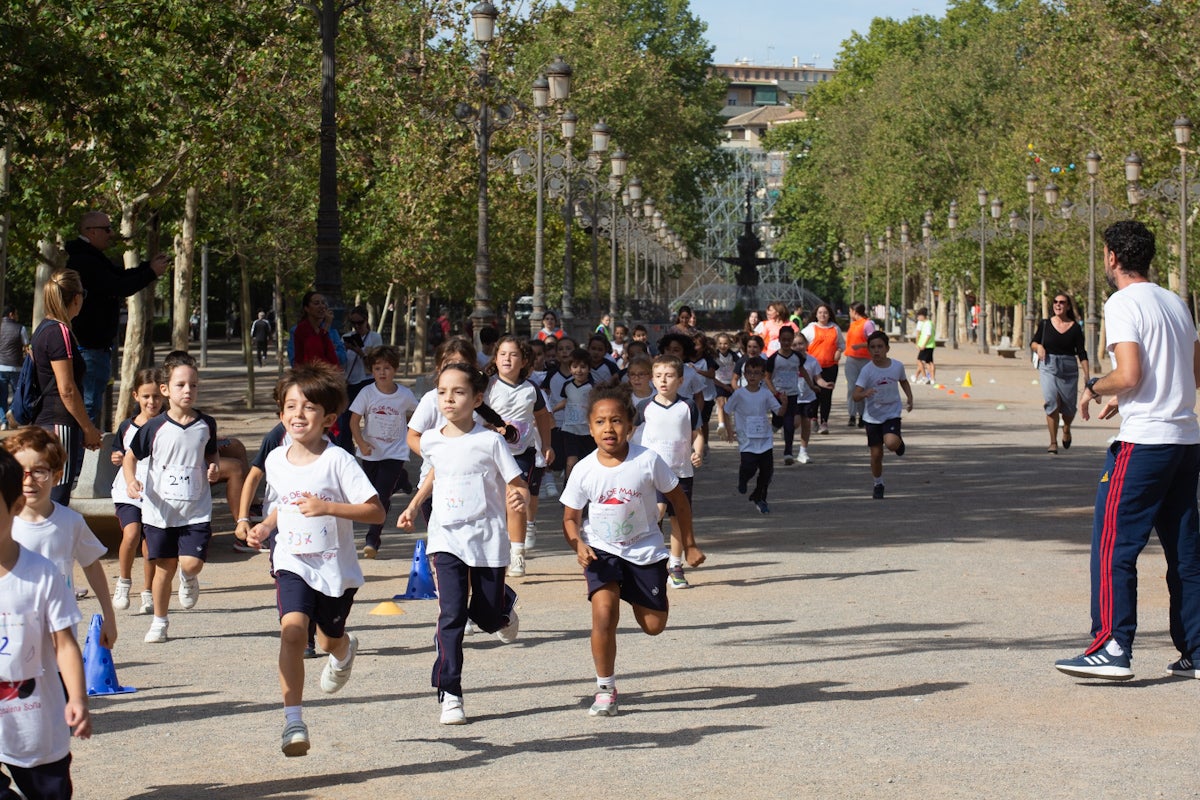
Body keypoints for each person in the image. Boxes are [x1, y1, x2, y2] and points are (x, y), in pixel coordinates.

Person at [1054, 220, 1200, 681]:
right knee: (1186, 552)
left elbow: (1131, 371)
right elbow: (1192, 373)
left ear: (1112, 257)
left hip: (1145, 443)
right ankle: (1197, 650)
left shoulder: (1122, 302)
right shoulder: (1176, 302)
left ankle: (1112, 646)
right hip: (1185, 440)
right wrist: (1129, 395)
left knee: (1113, 545)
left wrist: (1097, 386)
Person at [246, 361, 385, 755]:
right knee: (291, 631)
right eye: (290, 407)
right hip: (292, 561)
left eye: (308, 407)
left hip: (333, 569)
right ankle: (293, 722)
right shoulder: (275, 459)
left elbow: (375, 512)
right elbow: (283, 506)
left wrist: (329, 508)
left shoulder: (338, 460)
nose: (298, 415)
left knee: (328, 640)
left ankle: (343, 651)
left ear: (329, 418)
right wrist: (264, 526)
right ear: (280, 414)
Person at [560, 383, 705, 717]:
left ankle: (634, 590)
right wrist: (578, 544)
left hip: (644, 551)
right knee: (604, 614)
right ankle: (605, 689)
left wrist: (691, 544)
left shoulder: (648, 461)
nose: (608, 428)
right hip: (601, 551)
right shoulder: (583, 469)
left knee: (654, 626)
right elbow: (570, 518)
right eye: (600, 422)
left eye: (616, 421)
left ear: (631, 424)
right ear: (590, 426)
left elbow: (679, 503)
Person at [397, 363, 528, 725]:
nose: (448, 399)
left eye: (457, 392)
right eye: (441, 392)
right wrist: (413, 505)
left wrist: (518, 498)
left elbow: (516, 482)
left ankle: (503, 605)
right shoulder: (430, 440)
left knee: (485, 618)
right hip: (445, 538)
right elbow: (437, 473)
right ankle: (450, 693)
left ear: (477, 399)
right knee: (451, 615)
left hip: (487, 541)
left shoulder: (490, 440)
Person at [0, 447, 91, 798]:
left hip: (35, 719)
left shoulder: (41, 575)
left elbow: (64, 643)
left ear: (15, 507)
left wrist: (79, 698)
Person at [123, 351, 219, 643]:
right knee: (164, 568)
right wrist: (130, 481)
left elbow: (211, 451)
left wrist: (213, 466)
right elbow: (130, 457)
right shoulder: (154, 427)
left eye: (193, 385)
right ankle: (159, 622)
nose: (188, 390)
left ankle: (189, 579)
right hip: (159, 510)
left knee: (190, 563)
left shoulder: (206, 424)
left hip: (196, 508)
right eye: (180, 385)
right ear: (165, 390)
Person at [6, 427, 118, 649]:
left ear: (56, 476)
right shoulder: (4, 524)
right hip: (12, 636)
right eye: (20, 472)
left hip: (59, 636)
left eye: (39, 471)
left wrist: (109, 616)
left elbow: (92, 566)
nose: (28, 481)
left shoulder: (71, 522)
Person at [64, 211, 170, 426]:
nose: (111, 234)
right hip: (90, 346)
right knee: (89, 405)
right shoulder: (85, 260)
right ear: (91, 231)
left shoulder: (92, 257)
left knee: (91, 404)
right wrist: (150, 273)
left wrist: (148, 267)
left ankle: (83, 453)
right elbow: (119, 286)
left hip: (95, 347)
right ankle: (82, 457)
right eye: (107, 229)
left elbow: (119, 276)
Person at [31, 270, 104, 506]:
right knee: (56, 498)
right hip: (59, 423)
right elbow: (67, 389)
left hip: (46, 420)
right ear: (76, 298)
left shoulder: (44, 328)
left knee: (47, 497)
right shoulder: (59, 332)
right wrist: (88, 427)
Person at [484, 336, 554, 578]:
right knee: (492, 503)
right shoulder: (487, 386)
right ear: (495, 358)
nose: (507, 359)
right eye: (502, 354)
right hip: (489, 455)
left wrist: (546, 444)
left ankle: (518, 554)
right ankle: (491, 549)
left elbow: (543, 417)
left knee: (515, 501)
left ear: (524, 361)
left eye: (513, 354)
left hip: (521, 454)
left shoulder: (531, 389)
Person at [633, 354, 703, 589]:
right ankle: (647, 558)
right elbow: (628, 432)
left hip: (681, 473)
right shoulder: (645, 406)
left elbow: (698, 434)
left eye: (669, 376)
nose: (663, 381)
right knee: (657, 512)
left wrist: (697, 452)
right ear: (652, 379)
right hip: (653, 474)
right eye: (659, 376)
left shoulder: (688, 406)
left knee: (678, 520)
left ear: (680, 380)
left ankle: (675, 565)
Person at [349, 345, 417, 559]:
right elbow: (353, 420)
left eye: (387, 368)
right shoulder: (367, 392)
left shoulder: (405, 394)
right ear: (372, 370)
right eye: (377, 368)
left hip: (396, 452)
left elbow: (419, 414)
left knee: (382, 495)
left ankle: (373, 539)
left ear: (394, 369)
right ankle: (402, 480)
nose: (382, 372)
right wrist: (360, 442)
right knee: (369, 492)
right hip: (371, 452)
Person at [110, 368, 162, 616]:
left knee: (150, 544)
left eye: (156, 397)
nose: (151, 402)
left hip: (157, 492)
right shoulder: (126, 427)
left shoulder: (167, 426)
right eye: (145, 397)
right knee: (131, 534)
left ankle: (148, 591)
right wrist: (116, 456)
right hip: (127, 490)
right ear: (135, 396)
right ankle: (123, 581)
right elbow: (117, 452)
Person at [852, 331, 913, 500]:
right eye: (872, 347)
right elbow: (855, 395)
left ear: (887, 348)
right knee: (876, 455)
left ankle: (897, 444)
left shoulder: (897, 366)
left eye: (880, 347)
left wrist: (910, 397)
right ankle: (878, 483)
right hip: (872, 417)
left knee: (891, 443)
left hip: (892, 413)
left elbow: (903, 381)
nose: (876, 350)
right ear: (869, 350)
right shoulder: (867, 370)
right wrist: (864, 393)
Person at [1031, 293, 1090, 454]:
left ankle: (1067, 428)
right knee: (1051, 402)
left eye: (1062, 302)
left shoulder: (1075, 327)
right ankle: (1053, 442)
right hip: (1048, 365)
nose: (1058, 305)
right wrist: (1039, 347)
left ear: (1068, 306)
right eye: (1055, 302)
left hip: (1069, 368)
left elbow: (1082, 352)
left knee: (1069, 409)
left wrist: (1087, 376)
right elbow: (1033, 342)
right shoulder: (1045, 324)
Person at [724, 358, 782, 514]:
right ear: (744, 374)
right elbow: (726, 410)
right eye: (749, 373)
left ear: (763, 375)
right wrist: (729, 430)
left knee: (767, 472)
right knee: (749, 466)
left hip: (765, 439)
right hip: (746, 438)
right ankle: (743, 479)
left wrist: (786, 403)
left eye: (757, 373)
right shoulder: (739, 394)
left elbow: (779, 412)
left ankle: (760, 497)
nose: (752, 376)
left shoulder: (766, 394)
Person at [553, 348, 597, 481]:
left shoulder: (592, 387)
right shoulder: (567, 386)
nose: (579, 370)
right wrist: (552, 410)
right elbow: (566, 401)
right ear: (570, 368)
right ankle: (568, 493)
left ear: (589, 369)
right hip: (570, 430)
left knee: (588, 463)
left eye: (583, 367)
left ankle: (587, 493)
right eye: (575, 366)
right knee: (571, 462)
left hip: (587, 431)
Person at [801, 303, 846, 434]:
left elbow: (842, 344)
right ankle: (813, 417)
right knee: (815, 393)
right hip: (814, 368)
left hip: (831, 367)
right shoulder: (810, 329)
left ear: (829, 314)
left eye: (825, 312)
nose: (822, 315)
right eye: (820, 312)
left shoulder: (835, 328)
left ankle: (824, 422)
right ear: (816, 314)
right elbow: (799, 342)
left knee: (827, 395)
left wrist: (839, 350)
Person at [843, 303, 876, 427]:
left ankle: (863, 415)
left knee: (862, 388)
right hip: (851, 359)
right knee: (852, 388)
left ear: (854, 311)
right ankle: (852, 415)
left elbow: (874, 341)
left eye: (850, 311)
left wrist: (860, 346)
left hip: (865, 360)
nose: (849, 313)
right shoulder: (853, 324)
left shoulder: (867, 324)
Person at [291, 292, 340, 367]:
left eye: (323, 303)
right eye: (316, 303)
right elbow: (316, 356)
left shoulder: (322, 330)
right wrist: (327, 325)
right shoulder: (303, 328)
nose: (322, 306)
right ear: (307, 308)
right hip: (309, 375)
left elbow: (333, 358)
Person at [0, 305, 29, 429]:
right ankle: (11, 412)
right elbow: (27, 346)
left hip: (0, 366)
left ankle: (3, 422)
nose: (17, 316)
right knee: (18, 394)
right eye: (16, 313)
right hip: (16, 367)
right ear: (11, 314)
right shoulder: (20, 328)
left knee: (2, 395)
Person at [913, 307, 937, 385]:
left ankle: (925, 377)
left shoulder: (927, 324)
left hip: (926, 346)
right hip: (929, 345)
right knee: (929, 362)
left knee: (919, 361)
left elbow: (928, 335)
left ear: (923, 316)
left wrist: (923, 344)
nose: (918, 318)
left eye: (919, 316)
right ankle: (932, 379)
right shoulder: (928, 323)